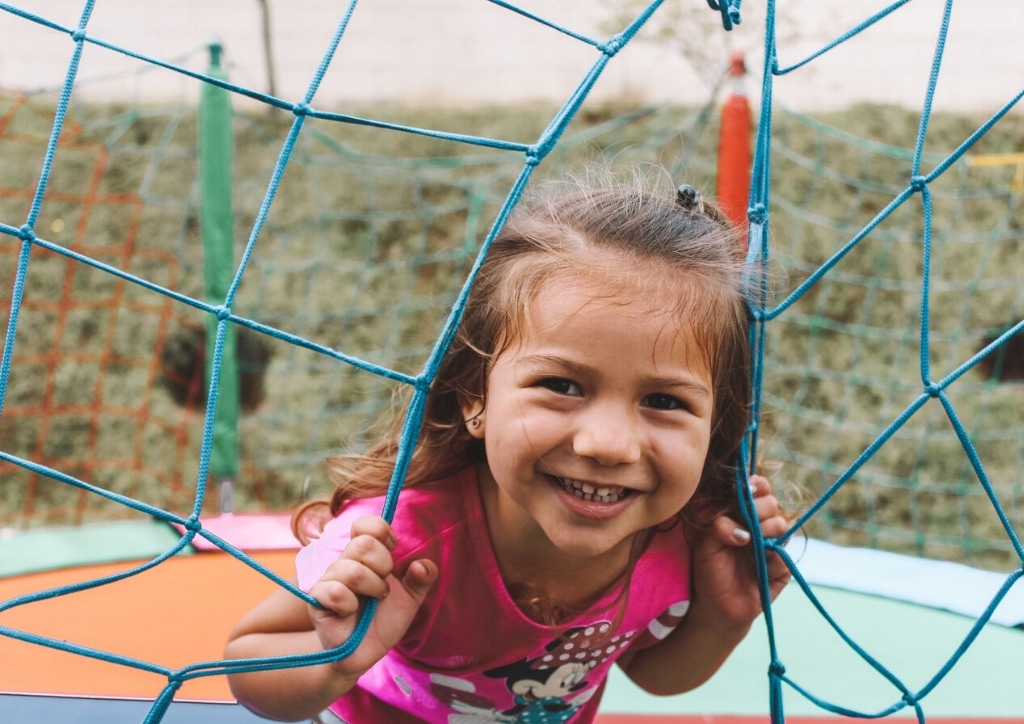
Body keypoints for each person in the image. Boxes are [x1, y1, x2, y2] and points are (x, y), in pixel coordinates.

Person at [224, 172, 791, 723]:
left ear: (716, 426)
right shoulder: (401, 542)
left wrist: (722, 616)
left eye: (664, 401)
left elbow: (651, 674)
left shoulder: (686, 535)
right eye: (562, 386)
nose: (608, 445)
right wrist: (335, 661)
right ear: (476, 398)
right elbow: (248, 664)